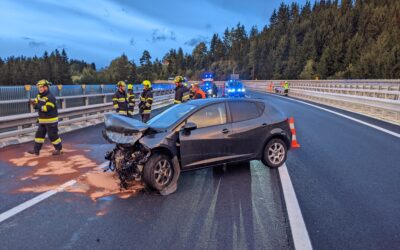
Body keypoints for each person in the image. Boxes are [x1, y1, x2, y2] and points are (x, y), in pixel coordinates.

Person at [28, 80, 62, 156]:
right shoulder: (39, 95)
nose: (39, 89)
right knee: (39, 136)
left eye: (41, 87)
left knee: (52, 136)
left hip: (51, 121)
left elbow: (47, 108)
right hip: (42, 121)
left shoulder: (51, 97)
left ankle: (58, 149)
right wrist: (33, 103)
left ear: (46, 87)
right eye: (39, 87)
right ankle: (36, 150)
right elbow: (36, 102)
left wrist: (37, 106)